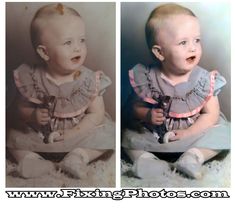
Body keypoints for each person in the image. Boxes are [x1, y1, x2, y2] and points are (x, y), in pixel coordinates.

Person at [122, 3, 230, 179]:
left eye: (197, 40)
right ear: (159, 53)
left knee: (223, 132)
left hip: (195, 134)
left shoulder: (203, 80)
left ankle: (193, 157)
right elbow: (132, 108)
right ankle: (147, 161)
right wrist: (147, 115)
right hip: (156, 136)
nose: (193, 47)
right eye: (183, 42)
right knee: (127, 135)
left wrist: (189, 133)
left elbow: (211, 114)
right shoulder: (147, 78)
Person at [7, 3, 115, 179]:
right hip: (39, 135)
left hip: (78, 135)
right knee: (11, 133)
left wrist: (73, 133)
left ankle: (78, 157)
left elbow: (96, 115)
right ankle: (32, 159)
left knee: (108, 134)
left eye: (82, 40)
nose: (78, 48)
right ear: (44, 52)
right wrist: (32, 115)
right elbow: (19, 108)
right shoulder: (31, 78)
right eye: (68, 42)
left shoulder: (88, 80)